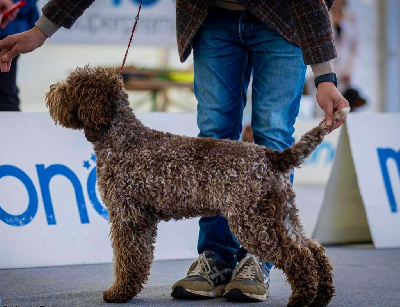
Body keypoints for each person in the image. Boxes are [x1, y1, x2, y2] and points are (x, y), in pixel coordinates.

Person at [0, 0, 349, 302]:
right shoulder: (131, 147)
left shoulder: (123, 162)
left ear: (91, 112)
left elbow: (132, 228)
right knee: (216, 129)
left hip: (282, 19)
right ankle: (218, 257)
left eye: (64, 95)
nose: (56, 98)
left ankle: (262, 260)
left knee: (272, 133)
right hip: (211, 17)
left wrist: (325, 77)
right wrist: (41, 30)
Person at [0, 0, 38, 111]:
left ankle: (11, 123)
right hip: (11, 25)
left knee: (5, 87)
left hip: (11, 28)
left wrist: (13, 5)